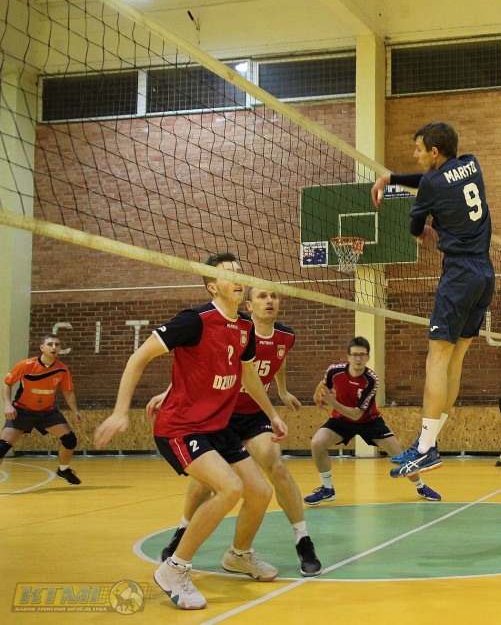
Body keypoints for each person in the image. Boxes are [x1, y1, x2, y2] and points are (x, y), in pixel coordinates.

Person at [94, 253, 289, 611]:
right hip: (180, 427)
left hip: (217, 426)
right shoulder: (194, 321)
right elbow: (139, 357)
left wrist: (272, 413)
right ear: (212, 286)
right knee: (229, 488)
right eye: (227, 274)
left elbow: (248, 374)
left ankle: (238, 555)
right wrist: (121, 412)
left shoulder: (244, 327)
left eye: (239, 271)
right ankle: (175, 569)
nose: (237, 277)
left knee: (260, 492)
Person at [149, 286, 322, 577]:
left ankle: (302, 540)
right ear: (248, 305)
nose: (270, 301)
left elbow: (277, 361)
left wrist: (282, 390)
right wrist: (168, 392)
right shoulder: (234, 329)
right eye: (262, 296)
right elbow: (201, 366)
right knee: (206, 482)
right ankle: (182, 531)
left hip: (254, 414)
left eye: (274, 296)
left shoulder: (286, 336)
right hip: (222, 412)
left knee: (276, 466)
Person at [371, 121, 495, 478]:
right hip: (485, 274)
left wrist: (420, 231)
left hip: (458, 275)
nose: (416, 155)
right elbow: (429, 179)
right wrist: (391, 177)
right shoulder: (471, 163)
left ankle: (425, 449)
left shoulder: (431, 184)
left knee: (437, 359)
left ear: (434, 152)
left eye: (419, 149)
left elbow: (415, 225)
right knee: (454, 360)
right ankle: (430, 442)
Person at [303, 336, 442, 504]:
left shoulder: (371, 380)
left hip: (369, 422)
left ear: (368, 357)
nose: (358, 359)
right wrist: (317, 395)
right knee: (317, 443)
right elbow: (324, 383)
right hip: (342, 420)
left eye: (362, 355)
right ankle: (327, 489)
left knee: (400, 456)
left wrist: (333, 403)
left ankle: (421, 486)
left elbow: (356, 415)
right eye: (355, 355)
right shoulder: (334, 371)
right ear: (348, 356)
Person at [2, 334, 83, 485]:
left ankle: (63, 470)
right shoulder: (26, 365)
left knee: (70, 439)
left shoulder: (63, 370)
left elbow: (68, 392)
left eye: (57, 344)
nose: (54, 347)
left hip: (46, 413)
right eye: (50, 344)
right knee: (2, 447)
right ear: (41, 348)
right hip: (22, 411)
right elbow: (7, 383)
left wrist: (75, 411)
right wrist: (7, 404)